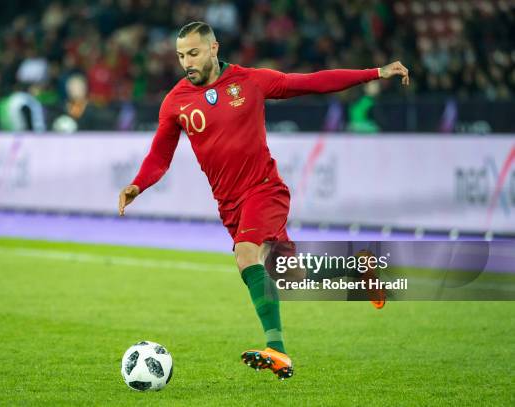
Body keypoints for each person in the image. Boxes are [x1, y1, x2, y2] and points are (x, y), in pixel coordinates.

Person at [118, 22, 409, 379]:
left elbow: (311, 82)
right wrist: (137, 186)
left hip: (264, 189)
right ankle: (358, 266)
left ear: (213, 48)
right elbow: (160, 157)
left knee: (246, 255)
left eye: (193, 53)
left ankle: (278, 350)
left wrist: (374, 73)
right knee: (289, 276)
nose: (186, 62)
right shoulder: (176, 101)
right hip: (229, 205)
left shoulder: (250, 81)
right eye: (180, 56)